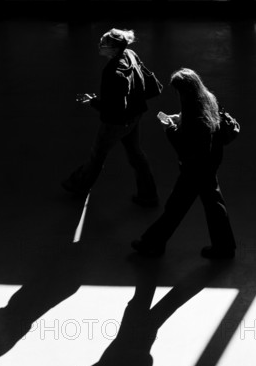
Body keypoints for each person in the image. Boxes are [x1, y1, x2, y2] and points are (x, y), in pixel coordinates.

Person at [132, 68, 237, 259]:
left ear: (184, 91)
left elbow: (187, 146)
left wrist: (170, 130)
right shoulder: (207, 98)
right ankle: (224, 247)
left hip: (195, 168)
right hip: (210, 164)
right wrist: (179, 119)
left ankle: (152, 244)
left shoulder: (195, 116)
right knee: (213, 206)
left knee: (175, 207)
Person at [61, 28, 159, 207]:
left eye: (103, 44)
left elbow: (114, 106)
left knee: (97, 155)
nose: (99, 46)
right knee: (136, 154)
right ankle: (148, 193)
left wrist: (93, 102)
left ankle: (79, 185)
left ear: (113, 48)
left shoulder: (113, 71)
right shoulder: (130, 54)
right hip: (134, 115)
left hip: (117, 122)